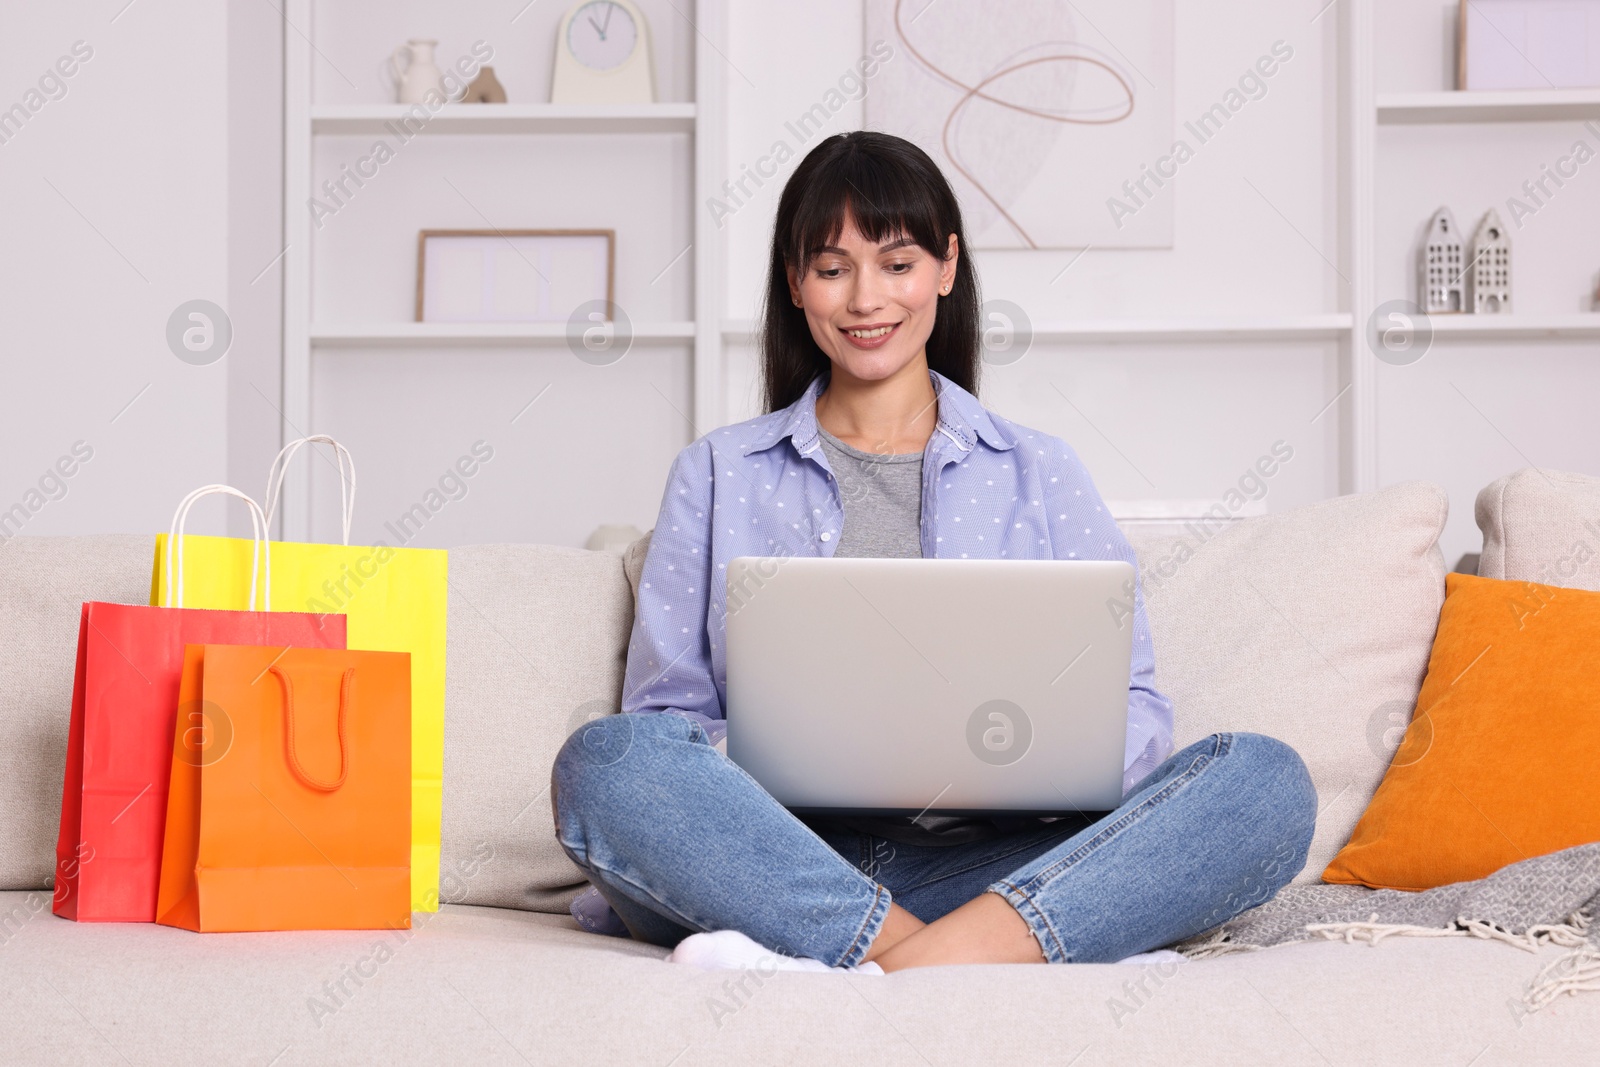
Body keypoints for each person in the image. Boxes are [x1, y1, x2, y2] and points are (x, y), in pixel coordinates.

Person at [551, 131, 1316, 974]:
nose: (866, 298)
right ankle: (971, 955)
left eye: (898, 262)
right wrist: (786, 761)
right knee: (609, 762)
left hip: (999, 863)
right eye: (833, 267)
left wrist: (1030, 766)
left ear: (947, 267)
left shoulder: (1040, 469)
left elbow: (1133, 709)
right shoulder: (717, 472)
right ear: (796, 284)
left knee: (1264, 783)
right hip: (778, 864)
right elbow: (666, 723)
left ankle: (888, 957)